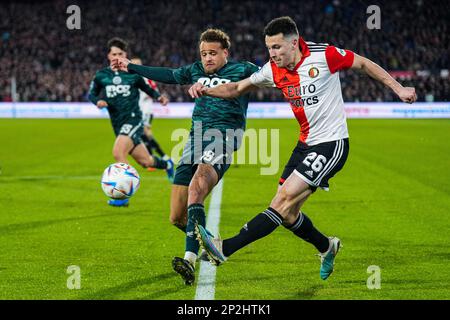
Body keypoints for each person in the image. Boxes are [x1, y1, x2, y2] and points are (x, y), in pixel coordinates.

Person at [190, 16, 417, 280]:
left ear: (294, 43)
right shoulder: (272, 70)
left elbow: (363, 63)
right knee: (287, 215)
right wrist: (206, 89)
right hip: (304, 144)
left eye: (277, 47)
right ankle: (327, 246)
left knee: (282, 201)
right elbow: (238, 87)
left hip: (331, 144)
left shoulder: (324, 55)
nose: (272, 54)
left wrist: (398, 88)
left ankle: (225, 248)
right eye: (269, 48)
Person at [112, 29, 260, 285]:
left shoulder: (244, 70)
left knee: (196, 188)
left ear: (226, 52)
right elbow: (168, 75)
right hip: (195, 137)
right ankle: (214, 244)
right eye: (204, 54)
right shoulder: (194, 70)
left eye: (213, 53)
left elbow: (273, 77)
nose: (208, 58)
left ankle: (189, 260)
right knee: (176, 217)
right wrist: (133, 68)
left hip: (223, 135)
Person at [89, 37, 174, 207]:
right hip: (117, 124)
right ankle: (167, 164)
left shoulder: (133, 74)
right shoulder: (101, 76)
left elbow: (147, 88)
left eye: (120, 53)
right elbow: (92, 93)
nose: (117, 56)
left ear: (125, 54)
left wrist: (159, 97)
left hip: (134, 118)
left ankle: (122, 195)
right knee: (146, 162)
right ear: (108, 55)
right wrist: (97, 102)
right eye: (114, 53)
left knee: (118, 152)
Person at [129, 57, 171, 170]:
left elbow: (153, 90)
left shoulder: (145, 78)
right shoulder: (131, 78)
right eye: (133, 64)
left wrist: (151, 94)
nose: (135, 66)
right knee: (144, 135)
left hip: (146, 110)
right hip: (138, 111)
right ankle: (155, 158)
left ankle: (163, 157)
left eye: (137, 64)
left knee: (145, 133)